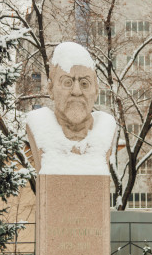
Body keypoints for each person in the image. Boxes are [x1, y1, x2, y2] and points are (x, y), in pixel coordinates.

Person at [26, 42, 116, 175]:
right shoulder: (38, 125)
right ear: (50, 89)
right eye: (67, 82)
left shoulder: (106, 128)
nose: (76, 91)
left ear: (96, 92)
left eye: (85, 83)